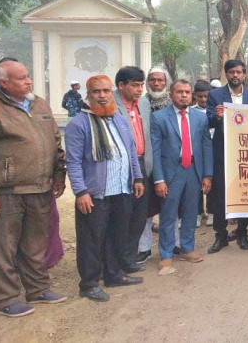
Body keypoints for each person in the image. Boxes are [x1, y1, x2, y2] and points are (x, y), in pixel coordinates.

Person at [0, 61, 67, 317]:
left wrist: (59, 173)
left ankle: (38, 289)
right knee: (3, 247)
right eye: (21, 78)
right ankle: (6, 298)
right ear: (4, 83)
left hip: (40, 188)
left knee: (35, 243)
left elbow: (55, 141)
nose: (28, 81)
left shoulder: (39, 104)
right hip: (7, 191)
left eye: (28, 76)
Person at [66, 75, 145, 303]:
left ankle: (113, 275)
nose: (101, 96)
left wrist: (137, 178)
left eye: (105, 91)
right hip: (94, 194)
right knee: (91, 240)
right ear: (88, 95)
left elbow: (130, 153)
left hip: (121, 189)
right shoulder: (79, 123)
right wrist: (81, 192)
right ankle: (89, 284)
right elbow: (73, 162)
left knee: (116, 236)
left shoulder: (119, 119)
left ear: (112, 93)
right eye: (96, 92)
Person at [152, 80, 213, 276]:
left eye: (187, 92)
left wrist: (207, 175)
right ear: (171, 94)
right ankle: (166, 253)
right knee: (168, 215)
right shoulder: (159, 117)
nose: (184, 95)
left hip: (194, 171)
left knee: (190, 213)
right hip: (172, 172)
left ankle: (187, 248)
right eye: (179, 92)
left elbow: (206, 146)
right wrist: (159, 179)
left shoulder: (200, 117)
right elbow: (155, 151)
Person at [206, 60, 248, 254]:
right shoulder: (215, 95)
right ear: (226, 74)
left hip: (246, 153)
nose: (235, 75)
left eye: (238, 72)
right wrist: (217, 117)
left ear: (244, 74)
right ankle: (220, 235)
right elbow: (207, 122)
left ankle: (242, 232)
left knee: (244, 193)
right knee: (221, 195)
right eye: (231, 72)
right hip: (223, 153)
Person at [112, 67, 153, 273]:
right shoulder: (109, 103)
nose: (139, 90)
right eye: (135, 85)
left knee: (139, 215)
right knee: (120, 217)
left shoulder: (144, 103)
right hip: (119, 168)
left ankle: (128, 260)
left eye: (141, 85)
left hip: (142, 165)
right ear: (121, 85)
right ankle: (113, 263)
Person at [138, 67, 172, 262]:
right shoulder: (140, 104)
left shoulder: (174, 103)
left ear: (167, 82)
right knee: (146, 208)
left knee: (172, 207)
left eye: (160, 80)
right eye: (152, 80)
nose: (157, 84)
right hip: (147, 163)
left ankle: (174, 244)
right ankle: (144, 248)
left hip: (170, 163)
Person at [191, 79, 213, 228]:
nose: (204, 99)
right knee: (197, 183)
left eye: (206, 96)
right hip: (197, 151)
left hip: (213, 150)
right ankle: (197, 213)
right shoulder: (191, 111)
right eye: (200, 97)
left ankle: (211, 212)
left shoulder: (214, 110)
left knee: (211, 182)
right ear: (195, 96)